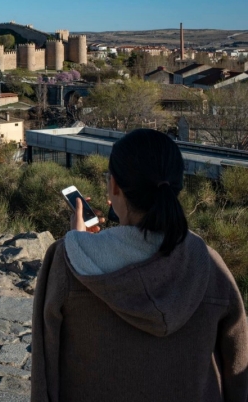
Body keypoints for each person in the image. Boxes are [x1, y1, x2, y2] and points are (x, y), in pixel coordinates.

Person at [31, 129, 248, 402]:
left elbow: (44, 372)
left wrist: (79, 243)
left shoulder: (67, 262)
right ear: (177, 187)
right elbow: (238, 369)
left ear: (115, 187)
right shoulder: (208, 265)